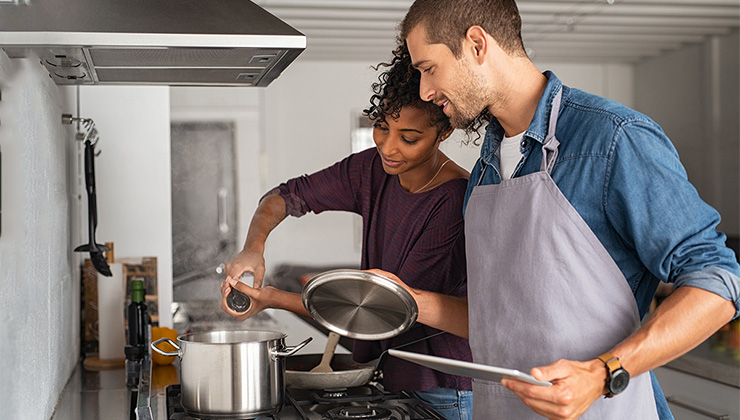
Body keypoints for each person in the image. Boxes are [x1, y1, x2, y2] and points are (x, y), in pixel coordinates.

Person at [368, 1, 740, 419]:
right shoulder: (484, 172)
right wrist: (407, 299)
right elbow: (505, 322)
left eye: (428, 68)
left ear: (476, 44)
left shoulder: (612, 140)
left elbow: (717, 282)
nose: (424, 91)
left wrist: (604, 373)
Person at [220, 50, 474, 420]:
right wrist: (252, 247)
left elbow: (381, 311)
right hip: (394, 374)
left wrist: (273, 297)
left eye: (410, 138)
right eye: (382, 127)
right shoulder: (372, 168)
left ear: (445, 132)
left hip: (443, 385)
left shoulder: (452, 201)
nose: (388, 147)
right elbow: (286, 196)